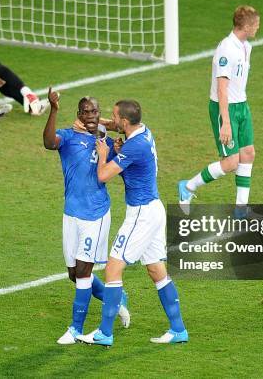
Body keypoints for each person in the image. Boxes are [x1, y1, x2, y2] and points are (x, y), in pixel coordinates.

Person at [76, 100, 188, 347]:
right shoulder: (143, 132)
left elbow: (103, 175)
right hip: (153, 210)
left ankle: (105, 333)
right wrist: (97, 125)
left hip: (141, 214)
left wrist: (106, 154)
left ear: (125, 122)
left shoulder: (134, 146)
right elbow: (116, 130)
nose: (112, 120)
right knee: (157, 270)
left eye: (115, 117)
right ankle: (178, 329)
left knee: (113, 268)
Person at [43, 87, 130, 345]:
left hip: (96, 213)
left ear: (99, 114)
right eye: (86, 111)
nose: (91, 115)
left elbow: (121, 126)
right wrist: (54, 109)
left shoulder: (105, 140)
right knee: (74, 273)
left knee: (82, 272)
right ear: (79, 114)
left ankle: (75, 329)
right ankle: (116, 299)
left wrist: (109, 141)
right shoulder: (69, 137)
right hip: (71, 213)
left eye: (95, 111)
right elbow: (48, 142)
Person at [178, 6, 260, 218]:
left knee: (248, 153)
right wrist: (226, 122)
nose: (258, 27)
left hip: (241, 105)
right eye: (256, 24)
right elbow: (222, 88)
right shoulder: (227, 49)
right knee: (231, 162)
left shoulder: (245, 47)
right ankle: (188, 187)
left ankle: (241, 210)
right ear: (247, 26)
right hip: (225, 108)